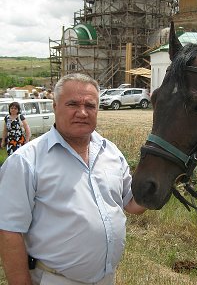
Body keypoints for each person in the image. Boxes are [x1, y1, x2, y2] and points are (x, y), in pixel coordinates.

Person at [0, 73, 146, 285]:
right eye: (73, 104)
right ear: (55, 106)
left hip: (107, 279)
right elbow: (9, 231)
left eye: (90, 105)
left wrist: (161, 181)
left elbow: (132, 204)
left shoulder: (111, 152)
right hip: (55, 280)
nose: (82, 112)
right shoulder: (26, 161)